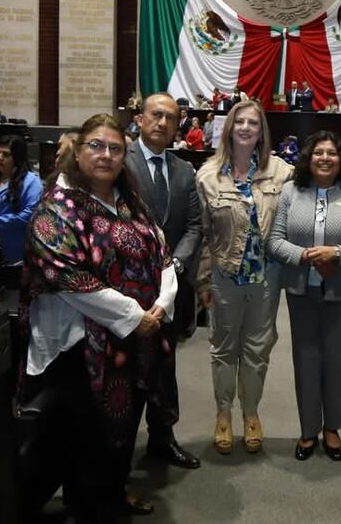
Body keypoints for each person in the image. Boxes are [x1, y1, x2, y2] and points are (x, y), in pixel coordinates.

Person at [19, 113, 176, 520]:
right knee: (88, 438)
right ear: (78, 149)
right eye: (96, 145)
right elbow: (66, 276)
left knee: (121, 432)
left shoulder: (130, 201)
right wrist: (134, 314)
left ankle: (112, 493)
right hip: (79, 346)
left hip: (131, 340)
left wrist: (163, 302)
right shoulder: (57, 206)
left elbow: (163, 253)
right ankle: (93, 508)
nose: (106, 155)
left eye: (115, 148)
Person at [268, 130, 341, 461]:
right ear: (308, 157)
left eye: (332, 152)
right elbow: (274, 241)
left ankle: (331, 428)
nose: (325, 158)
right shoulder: (290, 192)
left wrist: (338, 253)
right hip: (301, 291)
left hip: (340, 292)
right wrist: (303, 256)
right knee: (305, 360)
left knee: (335, 360)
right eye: (318, 152)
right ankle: (307, 431)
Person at [195, 100, 294, 454]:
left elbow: (314, 193)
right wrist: (203, 281)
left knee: (257, 350)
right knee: (224, 349)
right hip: (224, 276)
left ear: (261, 130)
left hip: (266, 279)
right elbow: (204, 235)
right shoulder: (207, 175)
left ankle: (251, 413)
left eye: (254, 122)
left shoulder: (282, 173)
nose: (247, 127)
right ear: (229, 127)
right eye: (240, 121)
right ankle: (223, 414)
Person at [124, 93, 202, 470]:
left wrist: (177, 265)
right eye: (156, 115)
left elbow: (194, 226)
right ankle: (120, 448)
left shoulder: (185, 171)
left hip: (169, 289)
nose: (162, 123)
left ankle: (162, 438)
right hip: (125, 289)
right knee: (126, 370)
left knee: (165, 366)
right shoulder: (119, 162)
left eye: (170, 118)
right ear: (140, 119)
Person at [0, 136, 43, 263]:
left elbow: (29, 215)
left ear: (17, 158)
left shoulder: (31, 181)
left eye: (6, 154)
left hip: (16, 249)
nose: (0, 158)